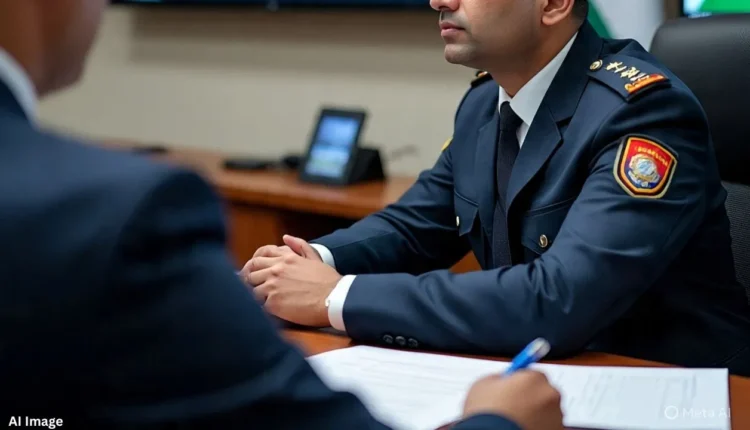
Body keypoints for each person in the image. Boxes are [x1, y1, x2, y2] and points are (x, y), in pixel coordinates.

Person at [0, 1, 565, 429]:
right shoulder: (118, 215)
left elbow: (556, 292)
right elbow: (420, 223)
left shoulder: (621, 105)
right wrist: (498, 423)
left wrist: (325, 284)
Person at [241, 0, 750, 376]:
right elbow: (414, 226)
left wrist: (336, 296)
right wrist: (307, 260)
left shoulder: (644, 112)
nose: (439, 1)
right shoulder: (485, 102)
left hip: (663, 385)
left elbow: (560, 299)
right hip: (544, 372)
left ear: (553, 4)